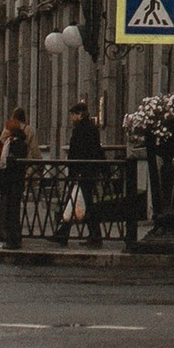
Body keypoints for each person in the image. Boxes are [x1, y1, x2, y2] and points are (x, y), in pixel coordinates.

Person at [63, 97, 105, 245]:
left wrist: (73, 171)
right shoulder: (92, 129)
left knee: (83, 203)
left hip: (83, 170)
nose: (72, 117)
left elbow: (76, 152)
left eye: (73, 114)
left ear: (80, 114)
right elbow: (98, 151)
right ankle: (64, 233)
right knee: (79, 202)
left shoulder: (80, 130)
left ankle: (94, 236)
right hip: (89, 170)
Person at [0, 109, 32, 254]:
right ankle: (11, 236)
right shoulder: (21, 139)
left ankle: (11, 237)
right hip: (16, 180)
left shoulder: (13, 144)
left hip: (11, 181)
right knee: (12, 209)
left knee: (10, 210)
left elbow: (6, 159)